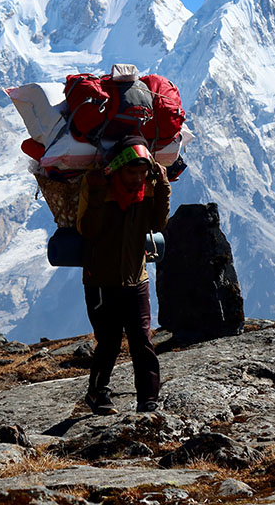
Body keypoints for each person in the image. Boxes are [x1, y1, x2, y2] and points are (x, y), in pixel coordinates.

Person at [76, 135, 170, 414]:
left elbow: (156, 223)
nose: (138, 178)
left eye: (143, 172)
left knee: (142, 338)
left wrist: (163, 186)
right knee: (109, 341)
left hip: (136, 278)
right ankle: (97, 393)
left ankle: (148, 398)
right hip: (101, 281)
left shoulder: (145, 193)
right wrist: (95, 194)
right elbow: (88, 229)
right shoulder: (98, 189)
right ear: (118, 168)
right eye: (132, 172)